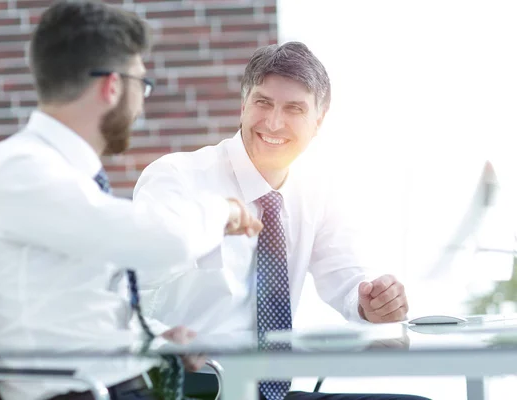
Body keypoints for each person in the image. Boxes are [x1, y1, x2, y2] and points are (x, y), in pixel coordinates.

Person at [0, 1, 262, 400]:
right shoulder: (20, 170)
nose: (142, 103)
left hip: (119, 385)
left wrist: (151, 336)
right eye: (142, 85)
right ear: (112, 86)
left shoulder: (61, 175)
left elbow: (80, 303)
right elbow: (165, 242)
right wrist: (224, 210)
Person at [133, 42, 429, 400]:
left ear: (318, 122)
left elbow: (346, 281)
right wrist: (162, 336)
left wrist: (370, 305)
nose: (274, 122)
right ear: (243, 106)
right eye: (263, 103)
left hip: (271, 392)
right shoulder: (178, 177)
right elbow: (132, 287)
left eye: (294, 109)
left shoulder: (318, 191)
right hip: (191, 387)